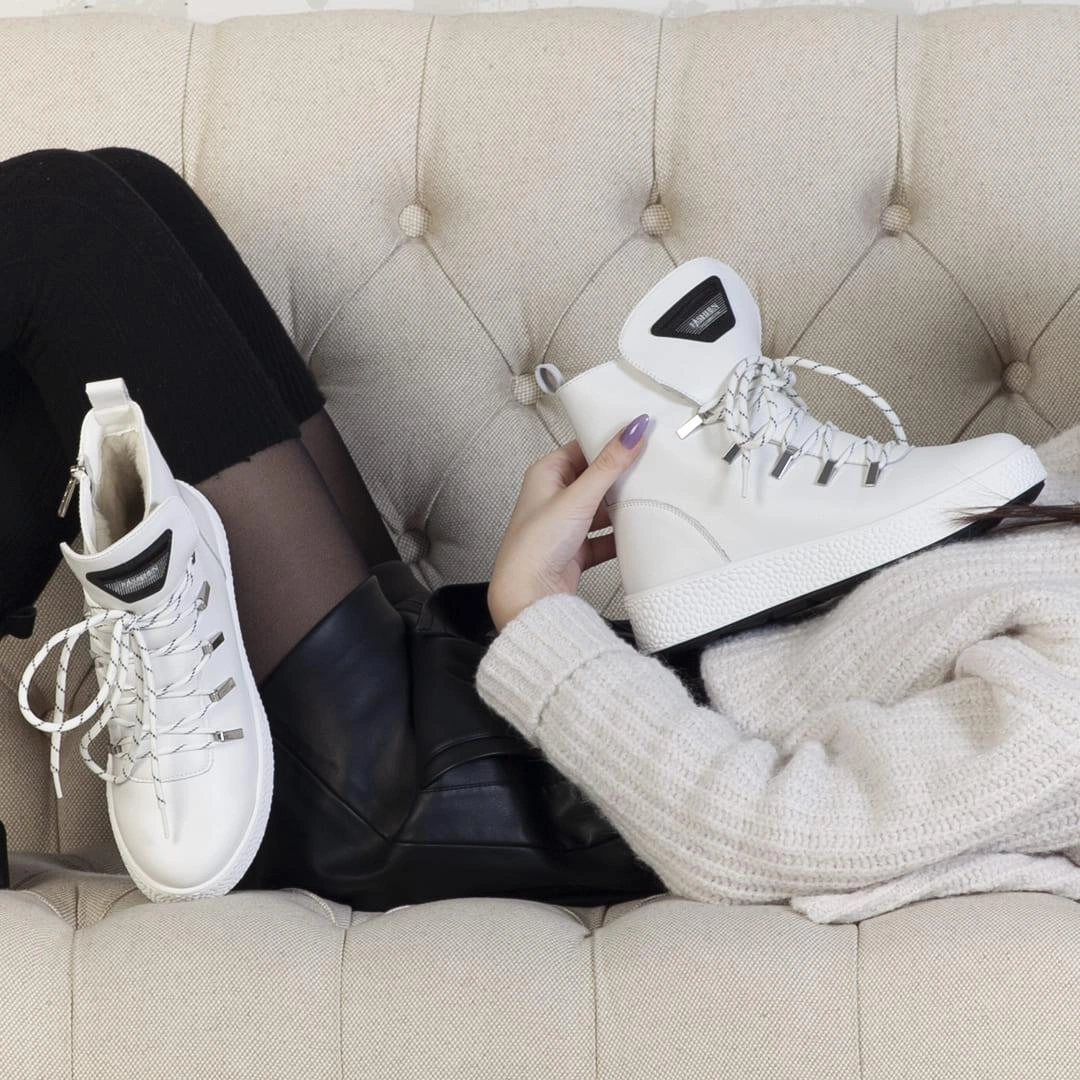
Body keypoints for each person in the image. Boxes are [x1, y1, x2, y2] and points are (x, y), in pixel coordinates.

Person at [6, 147, 1080, 924]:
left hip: (412, 797)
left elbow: (765, 831)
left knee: (56, 227)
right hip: (465, 700)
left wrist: (538, 618)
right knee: (130, 188)